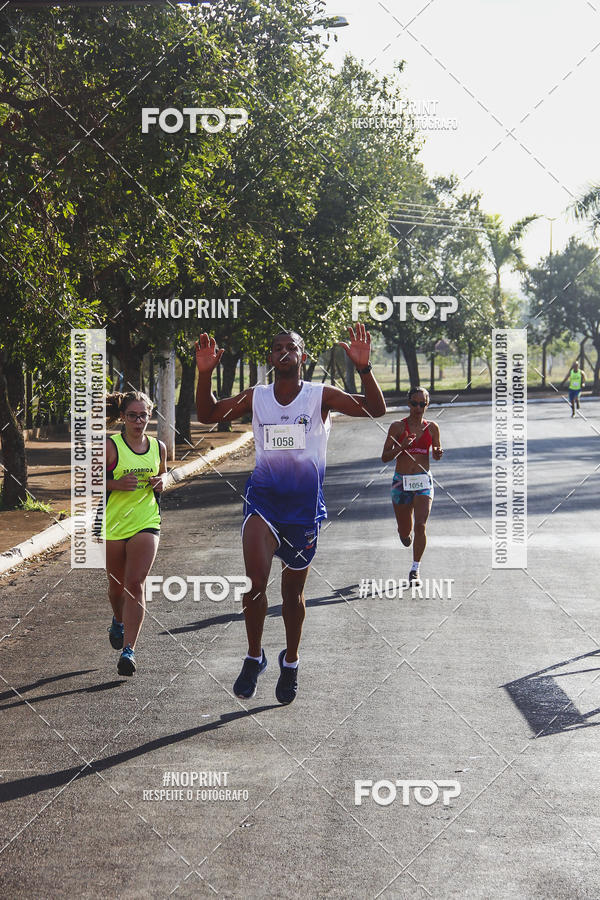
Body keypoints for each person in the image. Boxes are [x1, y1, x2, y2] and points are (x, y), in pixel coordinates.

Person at [195, 323, 386, 704]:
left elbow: (375, 409)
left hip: (303, 510)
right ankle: (254, 656)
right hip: (262, 501)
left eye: (292, 347)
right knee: (255, 583)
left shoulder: (320, 396)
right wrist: (204, 374)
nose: (284, 351)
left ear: (302, 356)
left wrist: (364, 369)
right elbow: (207, 413)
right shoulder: (257, 397)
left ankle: (291, 660)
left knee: (292, 595)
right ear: (270, 357)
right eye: (277, 346)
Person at [103, 391, 167, 676]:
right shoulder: (111, 446)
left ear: (150, 416)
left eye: (143, 415)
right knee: (116, 587)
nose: (138, 421)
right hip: (115, 523)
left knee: (135, 583)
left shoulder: (158, 447)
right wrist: (116, 484)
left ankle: (129, 650)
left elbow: (163, 474)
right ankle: (118, 620)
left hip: (147, 520)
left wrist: (162, 481)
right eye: (132, 416)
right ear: (123, 417)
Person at [381, 386, 443, 584]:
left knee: (421, 525)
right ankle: (404, 534)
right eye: (415, 403)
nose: (418, 408)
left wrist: (438, 453)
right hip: (401, 482)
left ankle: (415, 568)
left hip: (423, 480)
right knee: (405, 531)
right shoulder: (397, 427)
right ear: (408, 404)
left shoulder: (432, 428)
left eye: (422, 404)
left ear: (427, 405)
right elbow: (385, 457)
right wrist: (402, 446)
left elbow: (436, 452)